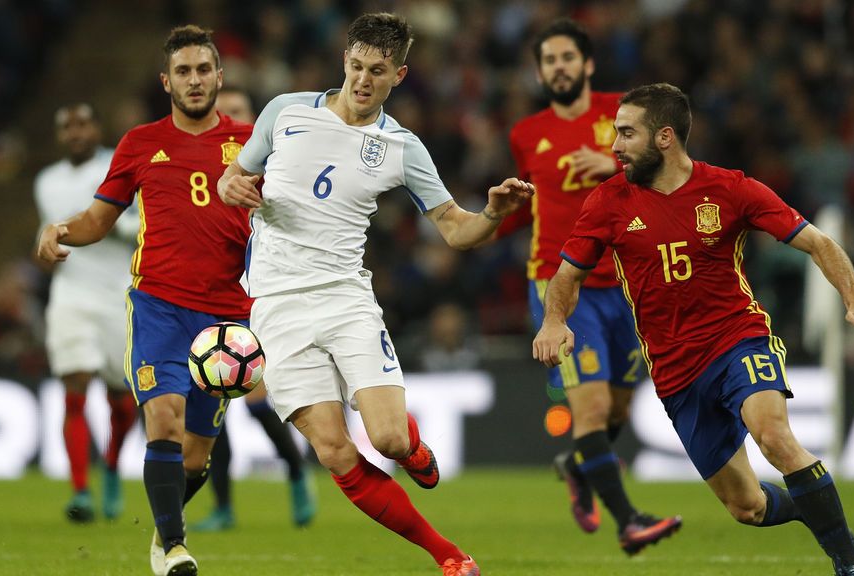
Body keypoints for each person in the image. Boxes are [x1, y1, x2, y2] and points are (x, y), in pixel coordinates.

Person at [533, 83, 854, 576]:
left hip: (737, 339)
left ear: (665, 137)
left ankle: (849, 565)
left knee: (774, 436)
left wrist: (853, 297)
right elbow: (566, 275)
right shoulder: (607, 202)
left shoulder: (730, 189)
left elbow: (818, 242)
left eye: (626, 133)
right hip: (674, 372)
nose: (615, 146)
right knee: (747, 508)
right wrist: (555, 320)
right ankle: (822, 514)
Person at [217, 13, 533, 576]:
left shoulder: (401, 147)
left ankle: (410, 448)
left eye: (378, 71)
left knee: (386, 438)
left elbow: (456, 230)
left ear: (399, 75)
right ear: (344, 61)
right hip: (275, 306)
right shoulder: (283, 111)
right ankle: (449, 555)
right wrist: (232, 184)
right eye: (357, 66)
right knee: (335, 451)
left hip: (344, 297)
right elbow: (230, 180)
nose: (363, 80)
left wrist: (493, 215)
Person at [38, 25, 255, 576]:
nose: (195, 80)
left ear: (219, 76)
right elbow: (97, 220)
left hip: (227, 313)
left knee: (195, 454)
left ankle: (162, 537)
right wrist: (59, 229)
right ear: (166, 82)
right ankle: (177, 548)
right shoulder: (139, 144)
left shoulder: (254, 144)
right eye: (183, 71)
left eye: (204, 70)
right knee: (163, 415)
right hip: (157, 303)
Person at [500, 19, 681, 551]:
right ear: (540, 72)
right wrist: (488, 219)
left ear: (588, 64)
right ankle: (628, 521)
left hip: (627, 281)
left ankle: (579, 467)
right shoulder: (526, 134)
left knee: (619, 411)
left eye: (567, 58)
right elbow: (527, 203)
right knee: (594, 409)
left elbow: (673, 169)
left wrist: (613, 162)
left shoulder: (622, 118)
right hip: (562, 284)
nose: (559, 67)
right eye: (549, 60)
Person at [192, 84, 317, 532]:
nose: (232, 123)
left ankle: (299, 474)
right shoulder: (205, 177)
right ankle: (223, 506)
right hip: (212, 295)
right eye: (223, 114)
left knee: (260, 399)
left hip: (263, 294)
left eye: (240, 112)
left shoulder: (278, 169)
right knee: (214, 397)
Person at [33, 103, 138, 523]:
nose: (76, 133)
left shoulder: (121, 165)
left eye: (83, 124)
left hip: (119, 293)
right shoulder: (46, 182)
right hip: (71, 293)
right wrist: (46, 249)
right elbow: (45, 233)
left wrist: (100, 225)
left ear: (96, 127)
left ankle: (111, 466)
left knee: (121, 399)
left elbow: (140, 225)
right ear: (59, 135)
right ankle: (80, 491)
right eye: (67, 126)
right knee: (74, 388)